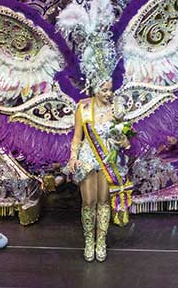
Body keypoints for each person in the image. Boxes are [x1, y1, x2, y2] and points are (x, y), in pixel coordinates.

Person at [65, 79, 131, 262]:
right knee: (89, 201)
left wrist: (123, 142)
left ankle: (100, 241)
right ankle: (89, 241)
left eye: (110, 90)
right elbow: (77, 137)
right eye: (104, 90)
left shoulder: (117, 108)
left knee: (103, 200)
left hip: (107, 159)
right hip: (87, 159)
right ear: (94, 89)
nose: (108, 94)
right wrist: (73, 157)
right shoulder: (83, 108)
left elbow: (125, 139)